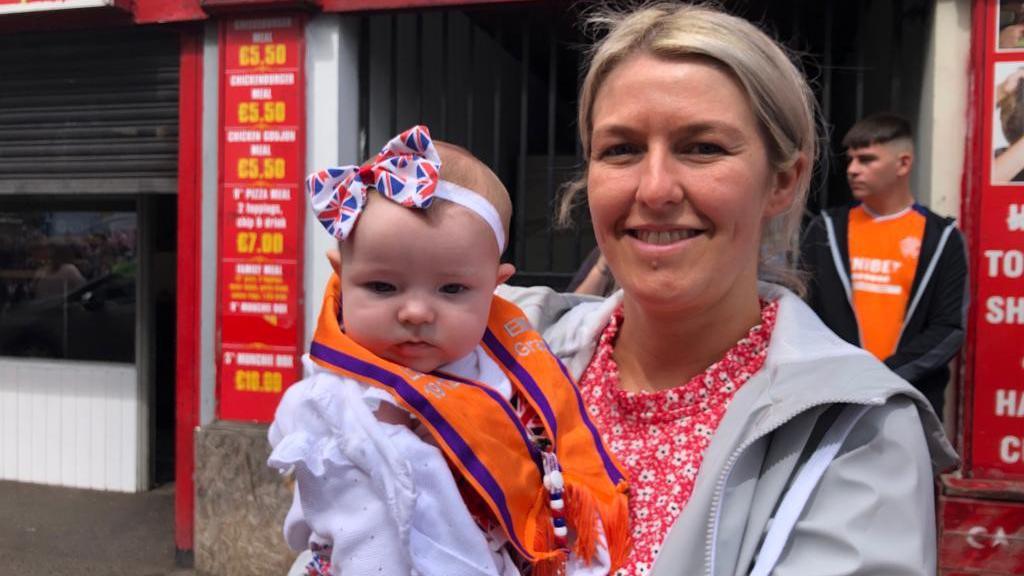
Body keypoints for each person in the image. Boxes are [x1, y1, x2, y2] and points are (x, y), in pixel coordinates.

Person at [497, 4, 959, 575]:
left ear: (783, 181)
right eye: (620, 150)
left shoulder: (857, 430)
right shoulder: (502, 352)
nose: (656, 188)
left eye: (703, 148)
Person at [268, 126, 629, 576]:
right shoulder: (334, 399)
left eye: (452, 289)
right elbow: (364, 537)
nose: (416, 312)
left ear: (496, 288)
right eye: (382, 286)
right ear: (342, 275)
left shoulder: (514, 369)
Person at [801, 113, 968, 419]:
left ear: (903, 164)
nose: (852, 170)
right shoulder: (826, 230)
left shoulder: (942, 238)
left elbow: (948, 329)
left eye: (866, 160)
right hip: (832, 399)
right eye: (850, 160)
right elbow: (800, 311)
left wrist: (886, 376)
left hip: (908, 404)